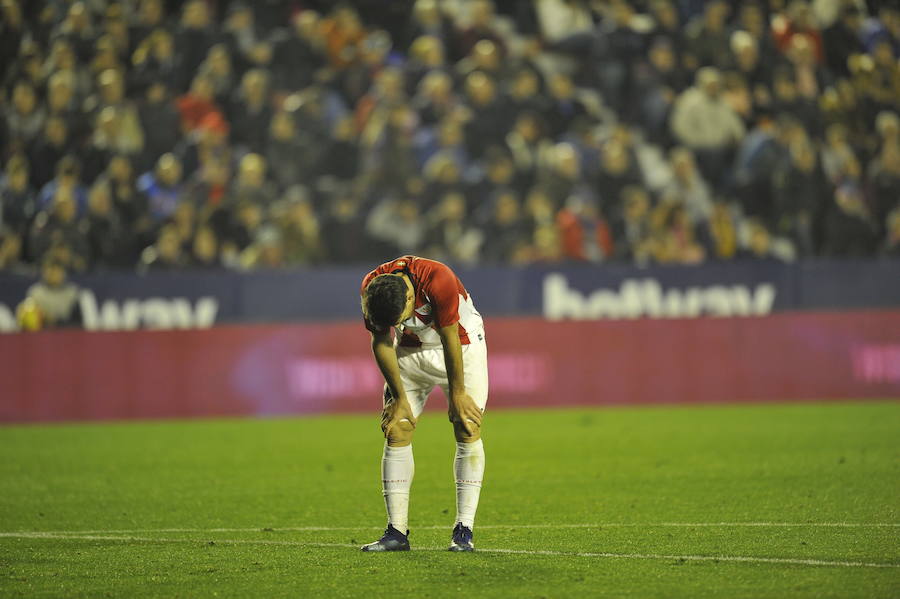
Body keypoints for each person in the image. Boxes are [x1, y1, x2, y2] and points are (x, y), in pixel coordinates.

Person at [359, 255, 488, 553]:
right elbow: (380, 341)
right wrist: (399, 397)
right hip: (408, 352)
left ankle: (463, 530)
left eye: (402, 316)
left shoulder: (438, 278)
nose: (401, 322)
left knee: (467, 426)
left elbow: (450, 337)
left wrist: (457, 394)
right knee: (396, 428)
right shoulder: (371, 287)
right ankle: (396, 532)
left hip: (462, 347)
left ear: (409, 296)